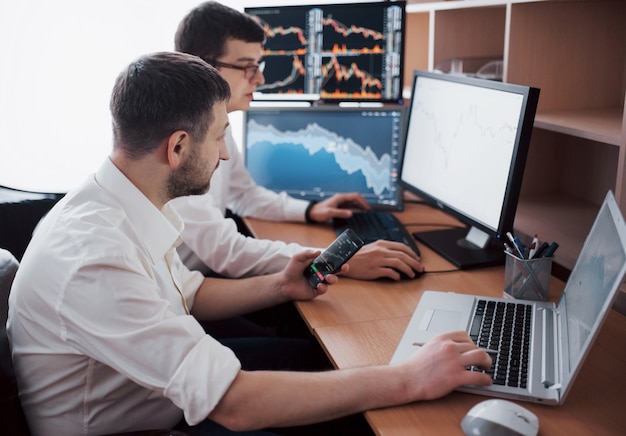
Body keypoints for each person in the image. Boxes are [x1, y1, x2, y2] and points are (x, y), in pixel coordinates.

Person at [7, 52, 492, 435]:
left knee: (316, 362)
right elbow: (236, 405)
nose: (223, 154)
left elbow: (190, 293)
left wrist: (281, 287)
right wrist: (411, 378)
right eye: (219, 138)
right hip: (140, 425)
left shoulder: (122, 201)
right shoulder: (95, 257)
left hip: (156, 394)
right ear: (177, 147)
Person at [171, 1, 424, 281]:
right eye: (248, 67)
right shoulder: (179, 144)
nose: (261, 78)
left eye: (259, 65)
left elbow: (244, 195)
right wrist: (336, 259)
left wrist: (310, 210)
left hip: (202, 281)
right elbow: (225, 251)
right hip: (186, 297)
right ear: (205, 66)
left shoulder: (217, 123)